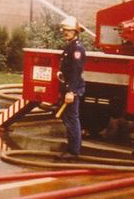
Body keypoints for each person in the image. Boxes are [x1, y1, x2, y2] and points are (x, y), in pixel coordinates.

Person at [56, 16, 85, 160]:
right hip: (67, 87)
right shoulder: (71, 46)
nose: (65, 32)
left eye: (68, 30)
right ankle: (72, 147)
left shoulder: (77, 48)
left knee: (72, 119)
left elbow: (76, 71)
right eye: (64, 30)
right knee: (68, 117)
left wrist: (71, 91)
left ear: (76, 32)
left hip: (71, 89)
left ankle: (73, 151)